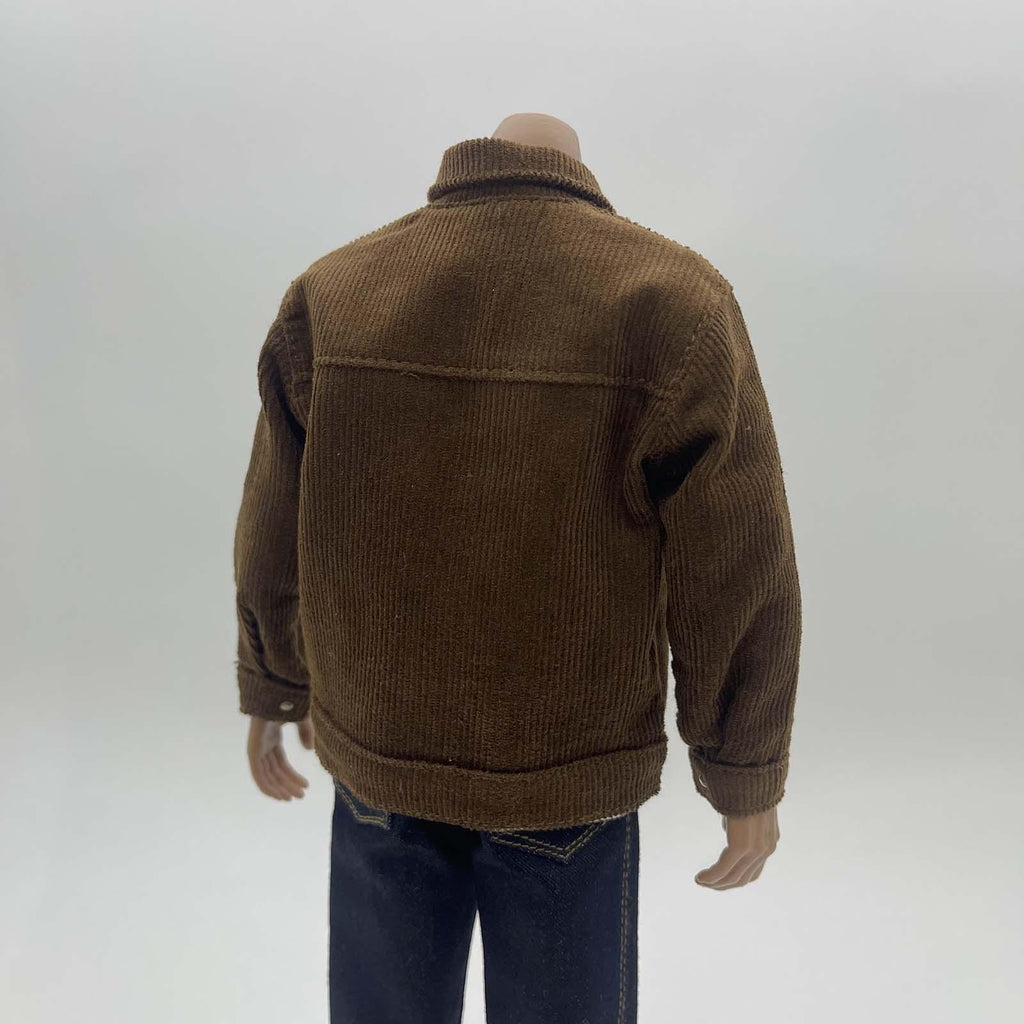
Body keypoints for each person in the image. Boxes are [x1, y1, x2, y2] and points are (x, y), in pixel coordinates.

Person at [232, 112, 802, 1024]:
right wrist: (742, 771)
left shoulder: (335, 293)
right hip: (565, 763)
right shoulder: (674, 302)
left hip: (379, 743)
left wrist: (275, 681)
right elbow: (737, 566)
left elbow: (271, 520)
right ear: (578, 169)